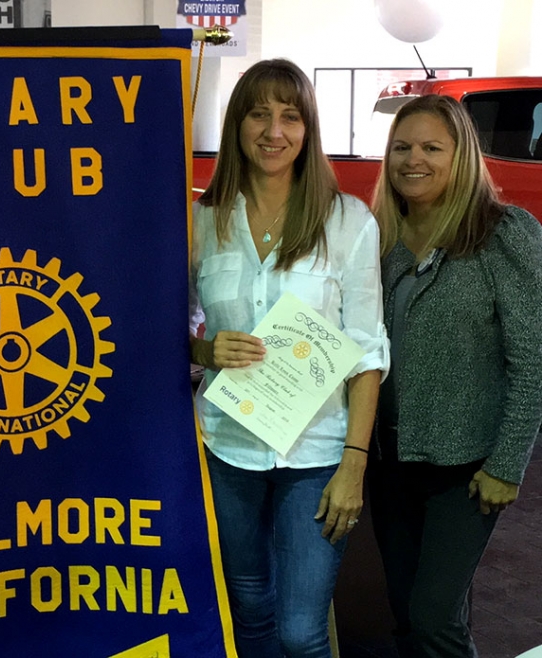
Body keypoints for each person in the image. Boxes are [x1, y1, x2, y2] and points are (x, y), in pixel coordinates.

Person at [188, 58, 389, 657]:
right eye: (258, 113)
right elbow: (169, 328)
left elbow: (369, 349)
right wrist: (204, 348)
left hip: (318, 452)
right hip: (228, 445)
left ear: (308, 129)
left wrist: (353, 464)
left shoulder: (346, 219)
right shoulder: (204, 220)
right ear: (236, 125)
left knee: (301, 633)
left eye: (290, 116)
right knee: (247, 607)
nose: (274, 131)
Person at [370, 94, 542, 658]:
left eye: (430, 147)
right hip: (390, 462)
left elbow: (533, 362)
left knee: (433, 618)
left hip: (467, 469)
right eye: (401, 147)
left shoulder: (503, 234)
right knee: (405, 611)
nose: (412, 159)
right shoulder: (381, 240)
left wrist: (507, 465)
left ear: (461, 155)